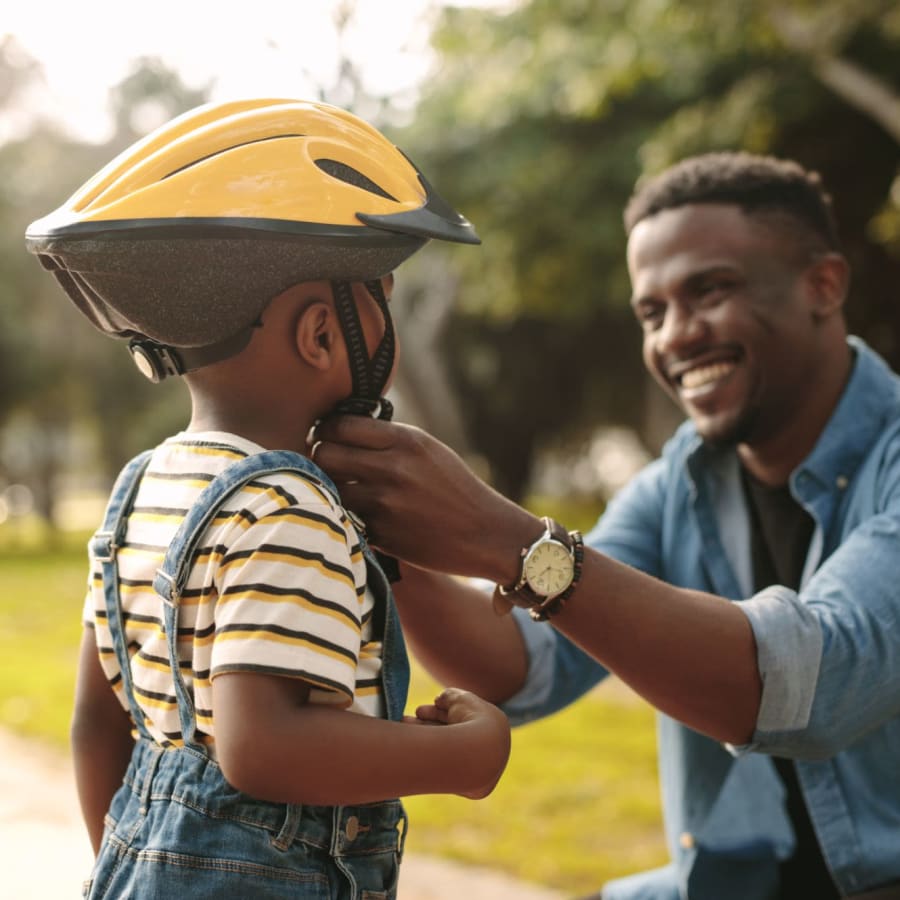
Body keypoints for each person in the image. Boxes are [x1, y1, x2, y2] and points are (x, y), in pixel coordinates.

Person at [310, 152, 900, 899]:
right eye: (651, 313)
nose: (677, 336)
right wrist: (395, 534)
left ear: (824, 286)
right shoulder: (678, 486)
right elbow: (519, 668)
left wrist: (506, 541)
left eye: (709, 290)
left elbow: (815, 687)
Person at [25, 98, 510, 899]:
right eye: (380, 296)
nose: (387, 316)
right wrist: (471, 757)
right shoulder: (287, 506)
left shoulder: (142, 487)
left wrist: (130, 866)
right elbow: (267, 749)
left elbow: (96, 721)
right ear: (323, 335)